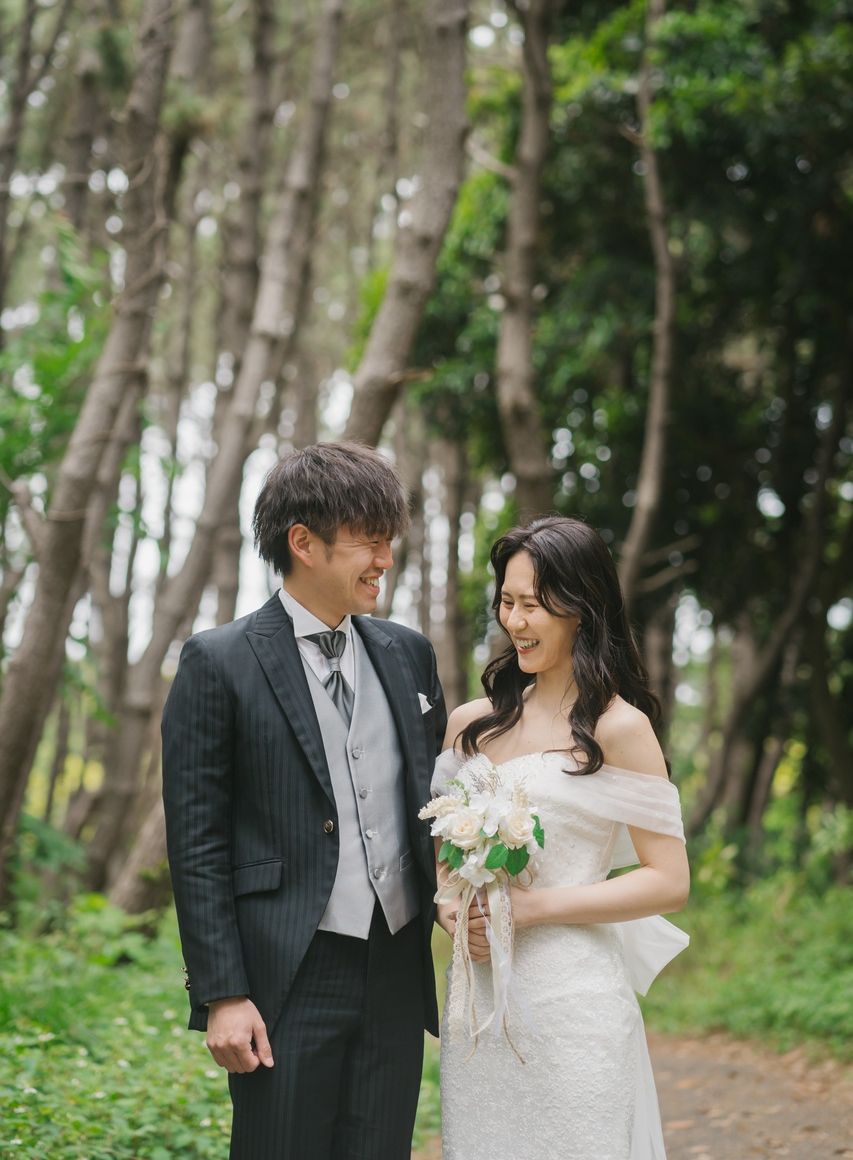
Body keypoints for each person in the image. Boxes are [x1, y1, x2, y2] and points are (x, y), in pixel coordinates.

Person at [162, 442, 446, 1160]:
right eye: (369, 542)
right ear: (304, 543)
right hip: (286, 972)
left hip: (395, 964)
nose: (385, 559)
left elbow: (433, 803)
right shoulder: (218, 661)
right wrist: (223, 993)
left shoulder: (408, 653)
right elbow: (196, 842)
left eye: (389, 541)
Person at [432, 515, 690, 1160]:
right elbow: (443, 861)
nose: (514, 621)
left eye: (534, 605)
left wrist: (533, 908)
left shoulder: (619, 728)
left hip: (574, 999)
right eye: (507, 602)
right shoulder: (471, 725)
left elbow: (669, 881)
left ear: (581, 608)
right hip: (479, 1001)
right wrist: (452, 911)